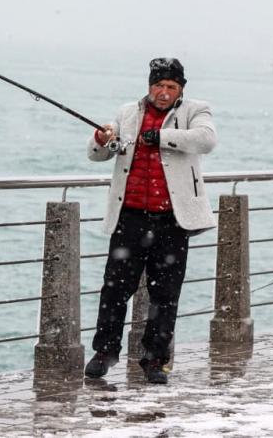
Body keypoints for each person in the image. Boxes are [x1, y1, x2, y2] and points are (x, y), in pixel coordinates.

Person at [83, 57, 217, 384]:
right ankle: (105, 352)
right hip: (129, 217)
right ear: (149, 86)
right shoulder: (127, 112)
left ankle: (155, 359)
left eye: (171, 87)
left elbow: (206, 140)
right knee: (114, 290)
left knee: (165, 294)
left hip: (172, 221)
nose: (163, 92)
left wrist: (160, 136)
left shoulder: (195, 111)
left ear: (180, 90)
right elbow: (98, 153)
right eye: (159, 85)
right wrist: (103, 140)